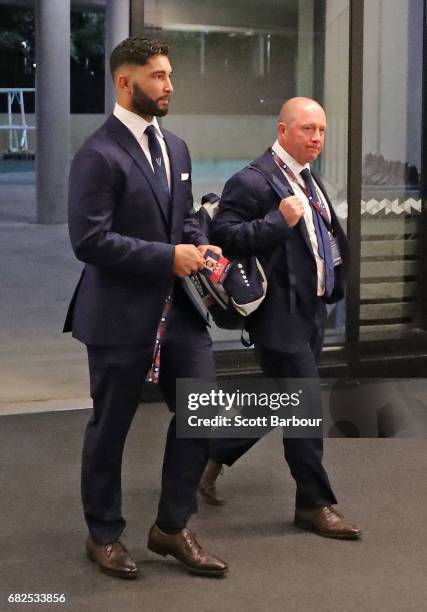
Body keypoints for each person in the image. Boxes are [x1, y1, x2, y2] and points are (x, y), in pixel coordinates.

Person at [63, 37, 227, 578]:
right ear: (124, 81)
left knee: (202, 410)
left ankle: (171, 527)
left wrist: (196, 245)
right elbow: (89, 242)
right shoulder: (97, 155)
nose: (169, 85)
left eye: (170, 74)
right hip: (117, 316)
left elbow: (179, 220)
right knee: (111, 428)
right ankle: (103, 534)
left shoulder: (175, 147)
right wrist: (167, 256)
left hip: (177, 311)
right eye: (157, 76)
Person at [199, 97, 361, 540]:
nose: (316, 139)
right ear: (283, 130)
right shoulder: (252, 181)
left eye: (322, 131)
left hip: (310, 310)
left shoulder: (307, 178)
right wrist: (276, 221)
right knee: (305, 407)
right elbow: (223, 238)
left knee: (281, 399)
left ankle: (210, 455)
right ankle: (314, 505)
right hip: (277, 317)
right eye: (308, 129)